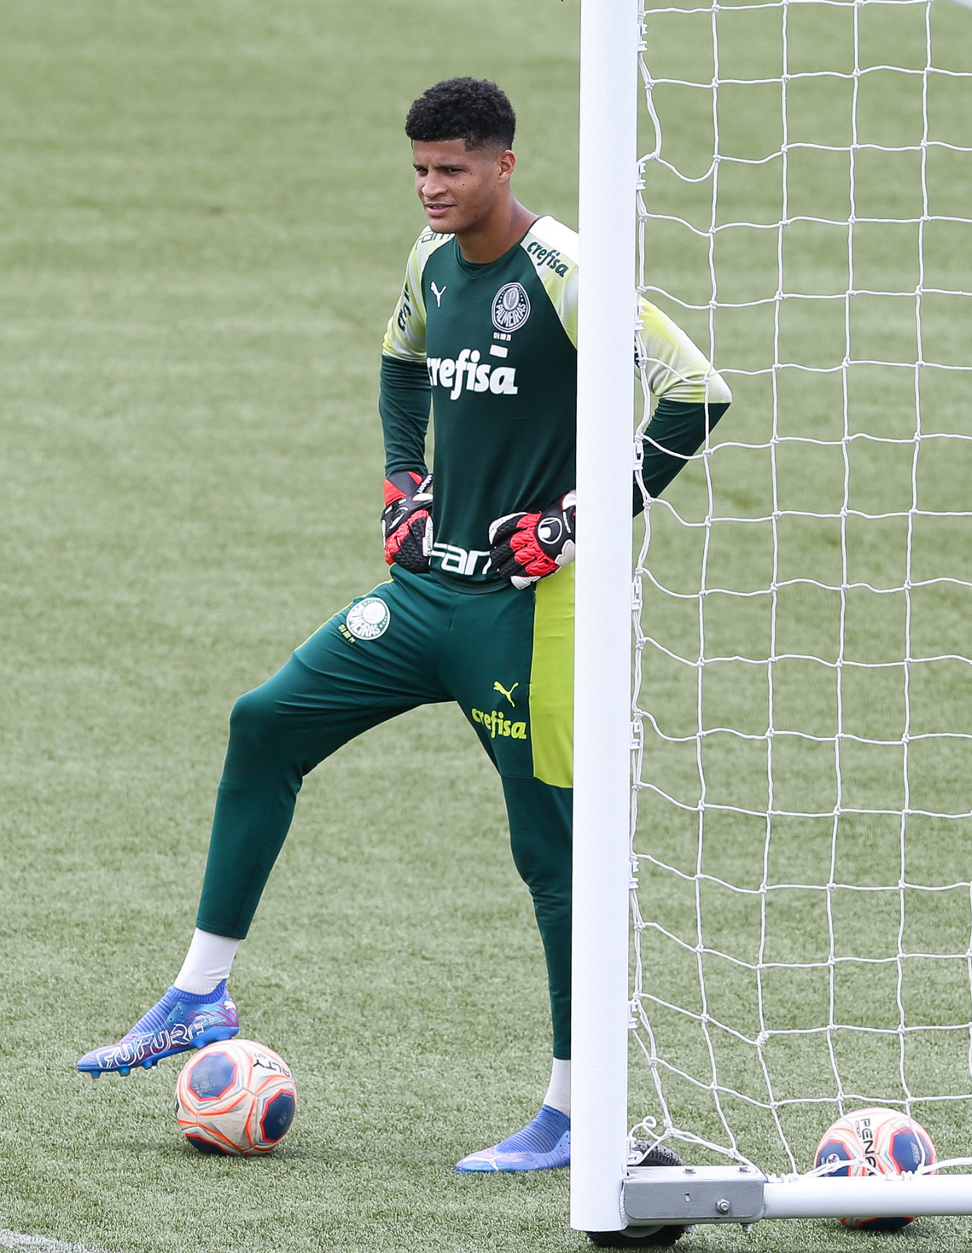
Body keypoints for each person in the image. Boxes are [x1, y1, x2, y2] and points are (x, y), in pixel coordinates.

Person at [78, 78, 731, 1173]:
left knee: (551, 851)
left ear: (503, 165)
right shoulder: (431, 260)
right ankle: (199, 993)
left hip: (530, 615)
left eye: (452, 169)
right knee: (265, 722)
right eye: (420, 168)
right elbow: (400, 363)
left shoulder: (568, 272)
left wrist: (579, 521)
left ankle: (575, 1112)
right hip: (427, 595)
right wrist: (402, 480)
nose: (431, 187)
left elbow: (696, 391)